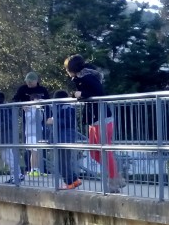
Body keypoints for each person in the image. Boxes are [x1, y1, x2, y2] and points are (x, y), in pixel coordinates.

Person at [63, 54, 125, 192]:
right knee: (94, 153)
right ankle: (116, 175)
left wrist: (80, 94)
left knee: (104, 150)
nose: (67, 72)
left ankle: (113, 181)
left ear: (72, 68)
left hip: (102, 118)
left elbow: (98, 92)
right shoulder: (81, 77)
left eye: (67, 68)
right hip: (94, 119)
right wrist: (77, 94)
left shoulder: (87, 77)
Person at [13, 71, 50, 178]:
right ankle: (30, 168)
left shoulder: (42, 90)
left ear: (36, 81)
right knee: (31, 147)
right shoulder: (22, 89)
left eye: (30, 82)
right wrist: (22, 106)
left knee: (41, 145)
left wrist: (47, 116)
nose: (28, 84)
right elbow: (15, 100)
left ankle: (42, 167)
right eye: (27, 82)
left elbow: (48, 103)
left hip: (42, 122)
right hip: (29, 121)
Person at [45, 90, 81, 190]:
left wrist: (53, 121)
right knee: (64, 161)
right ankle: (73, 180)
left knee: (62, 162)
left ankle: (70, 182)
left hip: (65, 137)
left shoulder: (66, 107)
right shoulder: (65, 106)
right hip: (63, 136)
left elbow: (67, 121)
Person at [0, 91, 22, 185]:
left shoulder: (2, 109)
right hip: (3, 137)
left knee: (8, 157)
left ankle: (17, 175)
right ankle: (16, 175)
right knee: (8, 157)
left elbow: (8, 122)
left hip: (5, 137)